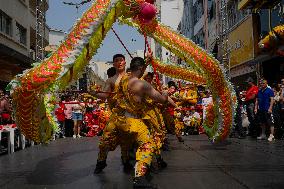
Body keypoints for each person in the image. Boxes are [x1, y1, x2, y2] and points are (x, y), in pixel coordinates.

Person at [114, 57, 177, 188]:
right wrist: (165, 93)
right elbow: (162, 100)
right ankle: (140, 179)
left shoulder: (123, 80)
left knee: (130, 146)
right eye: (144, 69)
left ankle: (130, 163)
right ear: (142, 69)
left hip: (120, 120)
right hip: (134, 121)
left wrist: (146, 61)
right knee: (148, 146)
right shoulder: (143, 85)